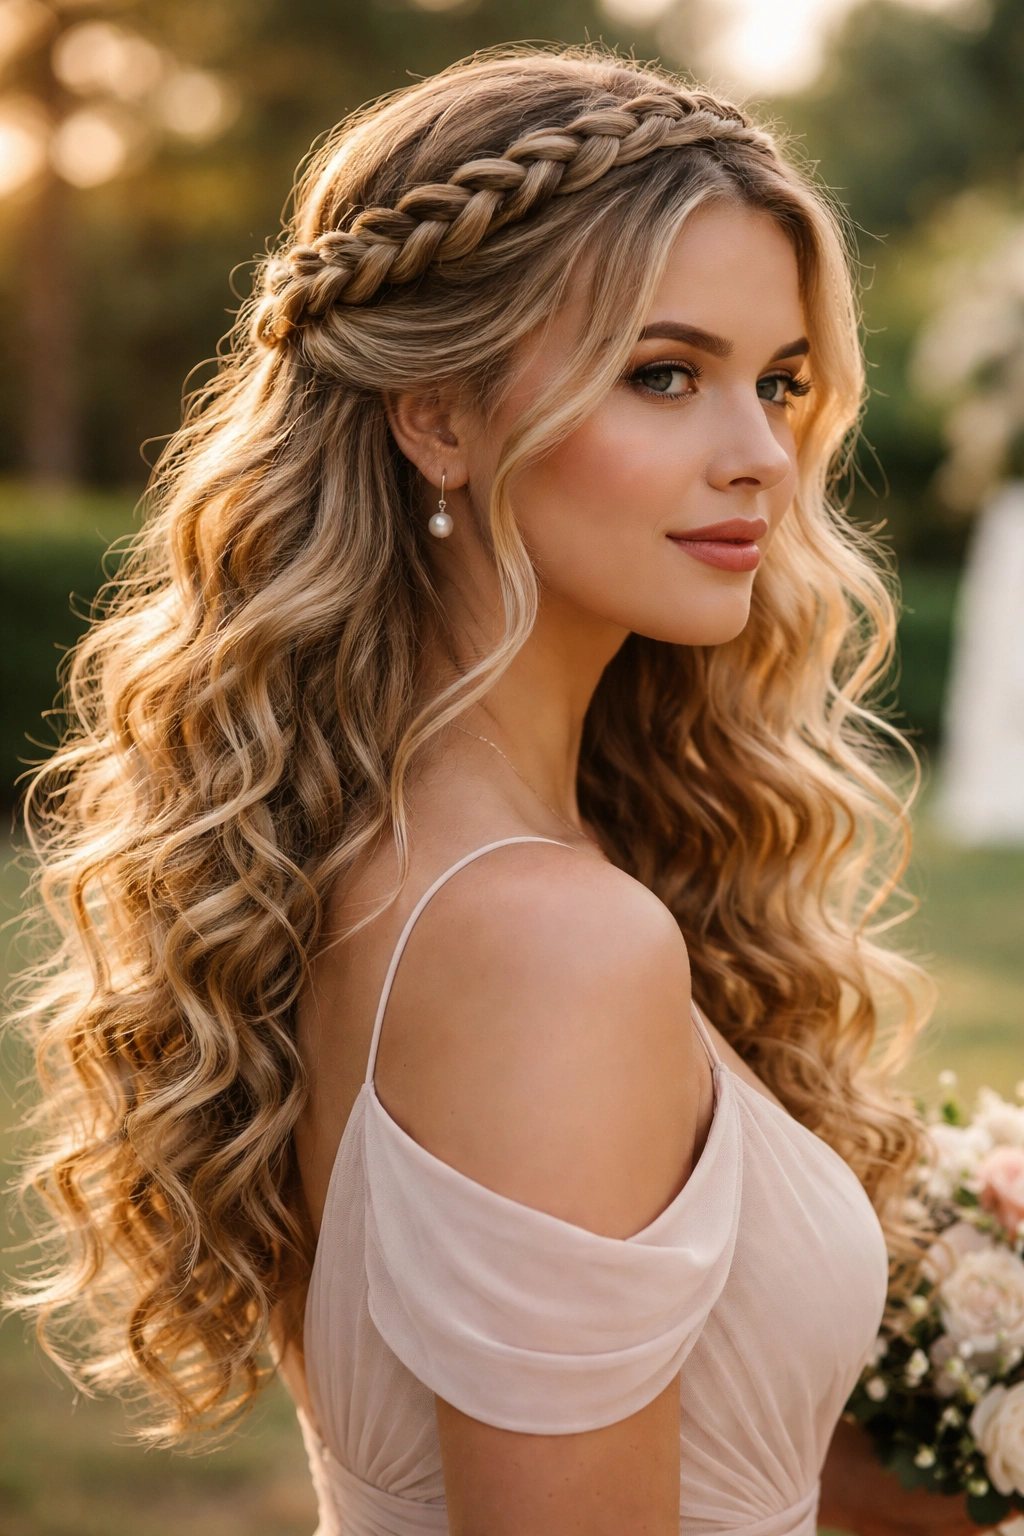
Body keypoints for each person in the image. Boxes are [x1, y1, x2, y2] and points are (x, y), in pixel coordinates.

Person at [11, 46, 978, 1536]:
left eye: (780, 384)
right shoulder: (548, 944)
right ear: (438, 417)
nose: (762, 461)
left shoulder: (404, 855)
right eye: (666, 374)